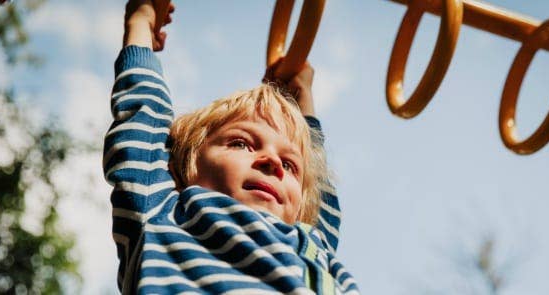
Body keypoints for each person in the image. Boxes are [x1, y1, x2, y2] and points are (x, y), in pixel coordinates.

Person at [104, 0, 359, 293]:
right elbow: (142, 116)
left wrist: (304, 99)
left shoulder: (315, 247)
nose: (273, 162)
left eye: (290, 165)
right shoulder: (163, 212)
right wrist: (141, 23)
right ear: (181, 165)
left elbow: (316, 183)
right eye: (242, 143)